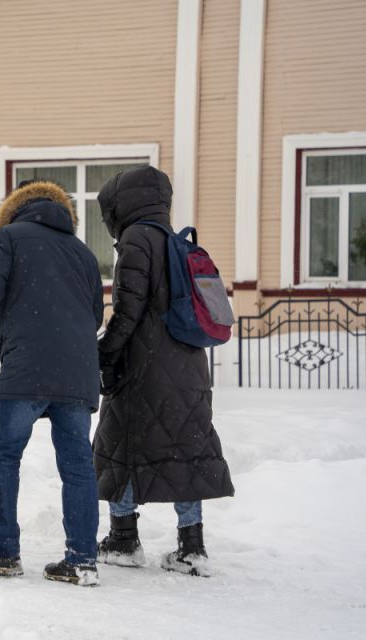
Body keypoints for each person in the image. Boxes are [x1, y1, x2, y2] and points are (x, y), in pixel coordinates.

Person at [0, 180, 105, 586]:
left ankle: (3, 551)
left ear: (14, 209)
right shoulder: (83, 253)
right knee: (78, 467)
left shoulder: (9, 238)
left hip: (27, 369)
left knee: (3, 455)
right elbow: (96, 316)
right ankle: (82, 559)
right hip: (78, 374)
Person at [93, 166, 234, 577]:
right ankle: (192, 547)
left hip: (144, 368)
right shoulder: (176, 241)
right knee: (185, 448)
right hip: (188, 366)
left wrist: (105, 352)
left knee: (120, 445)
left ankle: (123, 539)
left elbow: (128, 310)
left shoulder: (137, 239)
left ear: (121, 204)